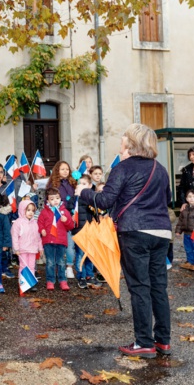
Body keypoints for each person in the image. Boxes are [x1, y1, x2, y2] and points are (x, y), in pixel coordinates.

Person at [75, 123, 172, 359]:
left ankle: (143, 343)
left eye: (123, 139)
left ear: (131, 143)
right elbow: (167, 200)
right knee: (158, 287)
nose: (120, 143)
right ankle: (163, 340)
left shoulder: (123, 168)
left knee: (139, 287)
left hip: (135, 232)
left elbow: (106, 200)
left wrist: (83, 192)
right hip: (162, 233)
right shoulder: (160, 169)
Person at [38, 188, 75, 291]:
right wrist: (42, 230)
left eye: (57, 198)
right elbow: (40, 223)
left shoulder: (64, 212)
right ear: (47, 201)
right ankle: (50, 280)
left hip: (61, 241)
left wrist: (66, 220)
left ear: (60, 199)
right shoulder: (44, 212)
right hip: (48, 240)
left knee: (61, 261)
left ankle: (62, 280)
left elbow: (71, 226)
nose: (55, 201)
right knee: (50, 262)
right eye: (52, 199)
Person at [47, 161, 77, 279]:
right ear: (57, 171)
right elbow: (48, 200)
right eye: (62, 169)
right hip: (57, 217)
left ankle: (69, 267)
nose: (65, 171)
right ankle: (57, 267)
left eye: (67, 169)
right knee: (57, 243)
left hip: (69, 217)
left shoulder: (73, 183)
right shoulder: (53, 184)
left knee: (70, 244)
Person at [72, 175, 101, 289]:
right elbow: (70, 209)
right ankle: (81, 276)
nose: (82, 186)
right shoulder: (75, 198)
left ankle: (90, 275)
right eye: (80, 183)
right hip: (79, 232)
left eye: (84, 184)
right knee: (80, 255)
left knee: (90, 255)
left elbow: (97, 213)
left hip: (90, 232)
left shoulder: (92, 198)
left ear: (90, 186)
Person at [11, 199, 43, 295]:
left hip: (32, 249)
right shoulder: (18, 222)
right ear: (22, 210)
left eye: (33, 211)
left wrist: (40, 248)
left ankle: (31, 282)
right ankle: (22, 282)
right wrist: (16, 248)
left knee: (32, 266)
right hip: (22, 250)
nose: (31, 213)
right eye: (28, 210)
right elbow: (14, 236)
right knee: (23, 266)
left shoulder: (34, 223)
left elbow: (38, 237)